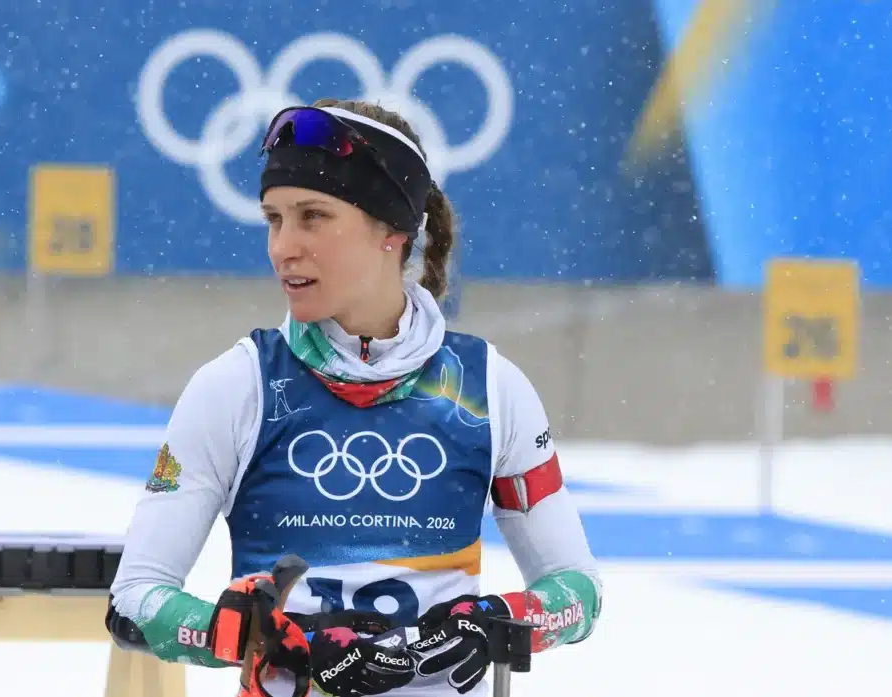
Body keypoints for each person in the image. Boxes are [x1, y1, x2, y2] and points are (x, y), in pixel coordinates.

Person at [106, 98, 603, 697]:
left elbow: (578, 593)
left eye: (313, 217)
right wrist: (249, 635)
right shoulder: (235, 387)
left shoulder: (489, 388)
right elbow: (134, 602)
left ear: (392, 231)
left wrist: (499, 620)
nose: (283, 247)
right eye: (274, 219)